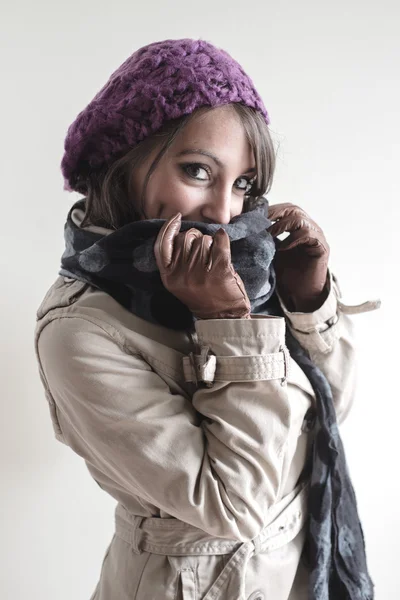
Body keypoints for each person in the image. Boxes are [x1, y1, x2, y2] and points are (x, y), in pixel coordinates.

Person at [34, 38, 381, 600]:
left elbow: (328, 419)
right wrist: (225, 318)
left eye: (243, 184)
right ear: (124, 165)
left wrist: (308, 298)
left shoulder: (245, 269)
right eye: (197, 170)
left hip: (297, 570)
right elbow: (234, 505)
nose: (224, 212)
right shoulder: (81, 330)